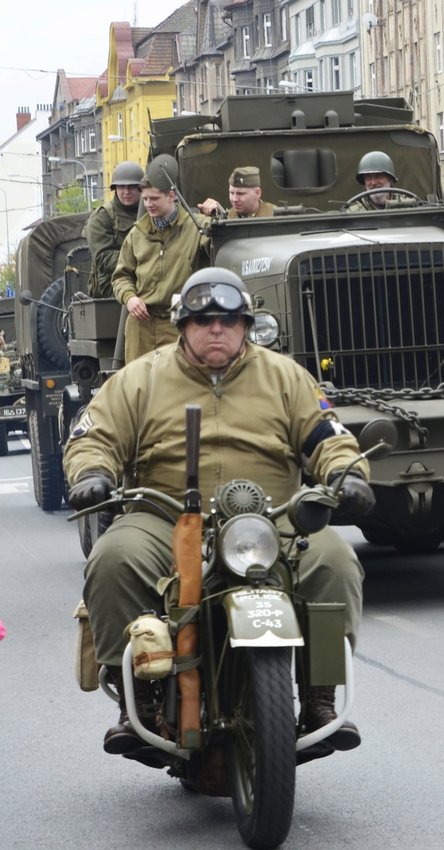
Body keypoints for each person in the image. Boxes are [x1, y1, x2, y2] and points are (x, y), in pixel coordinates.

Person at [63, 268, 375, 759]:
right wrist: (91, 474)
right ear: (183, 325)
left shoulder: (286, 376)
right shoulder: (139, 378)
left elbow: (327, 436)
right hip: (163, 516)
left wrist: (347, 475)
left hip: (271, 521)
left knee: (335, 559)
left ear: (246, 325)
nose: (217, 329)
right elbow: (94, 436)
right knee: (113, 558)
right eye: (204, 319)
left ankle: (320, 696)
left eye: (229, 320)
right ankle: (138, 701)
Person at [111, 158, 211, 363]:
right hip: (142, 324)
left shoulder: (197, 227)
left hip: (180, 321)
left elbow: (224, 243)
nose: (148, 204)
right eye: (145, 199)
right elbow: (120, 276)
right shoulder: (137, 234)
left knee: (180, 384)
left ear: (171, 196)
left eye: (154, 198)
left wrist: (219, 214)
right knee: (139, 385)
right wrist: (130, 298)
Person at [84, 161, 144, 298]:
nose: (126, 192)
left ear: (141, 188)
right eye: (122, 187)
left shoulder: (150, 211)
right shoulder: (102, 217)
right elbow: (103, 257)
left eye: (132, 187)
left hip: (145, 277)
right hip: (111, 284)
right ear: (115, 188)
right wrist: (141, 260)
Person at [198, 166, 276, 219]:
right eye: (231, 193)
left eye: (240, 194)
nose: (234, 199)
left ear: (257, 193)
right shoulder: (228, 218)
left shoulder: (276, 215)